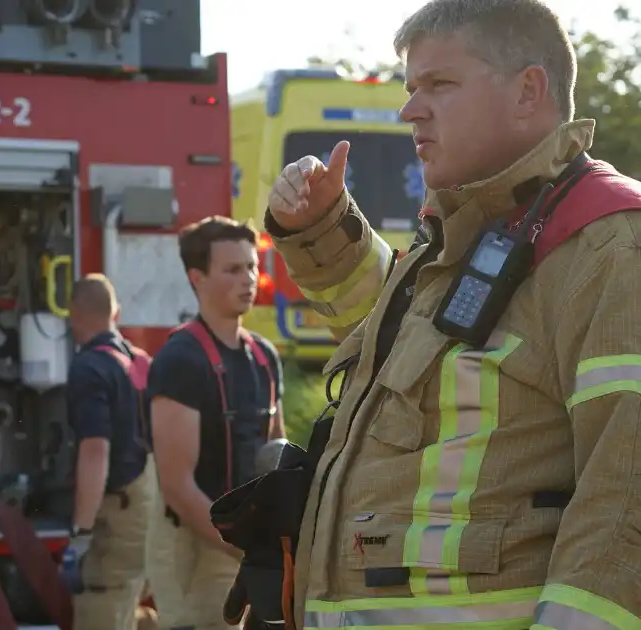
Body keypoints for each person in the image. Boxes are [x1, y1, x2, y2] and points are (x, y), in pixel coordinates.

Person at [217, 0, 641, 627]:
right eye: (412, 87)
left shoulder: (610, 246)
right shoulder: (466, 232)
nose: (410, 109)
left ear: (529, 91)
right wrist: (322, 230)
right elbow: (392, 353)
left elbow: (625, 500)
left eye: (439, 84)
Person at [146, 216, 284, 630]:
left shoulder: (264, 356)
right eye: (232, 269)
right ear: (197, 277)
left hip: (248, 544)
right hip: (196, 544)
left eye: (251, 267)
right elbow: (177, 486)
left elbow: (277, 451)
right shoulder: (181, 361)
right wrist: (239, 547)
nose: (249, 279)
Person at [59, 273, 155, 630]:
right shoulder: (139, 360)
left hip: (118, 512)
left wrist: (81, 533)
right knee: (129, 600)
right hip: (147, 503)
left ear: (74, 313)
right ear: (116, 312)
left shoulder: (90, 368)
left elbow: (95, 452)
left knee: (103, 602)